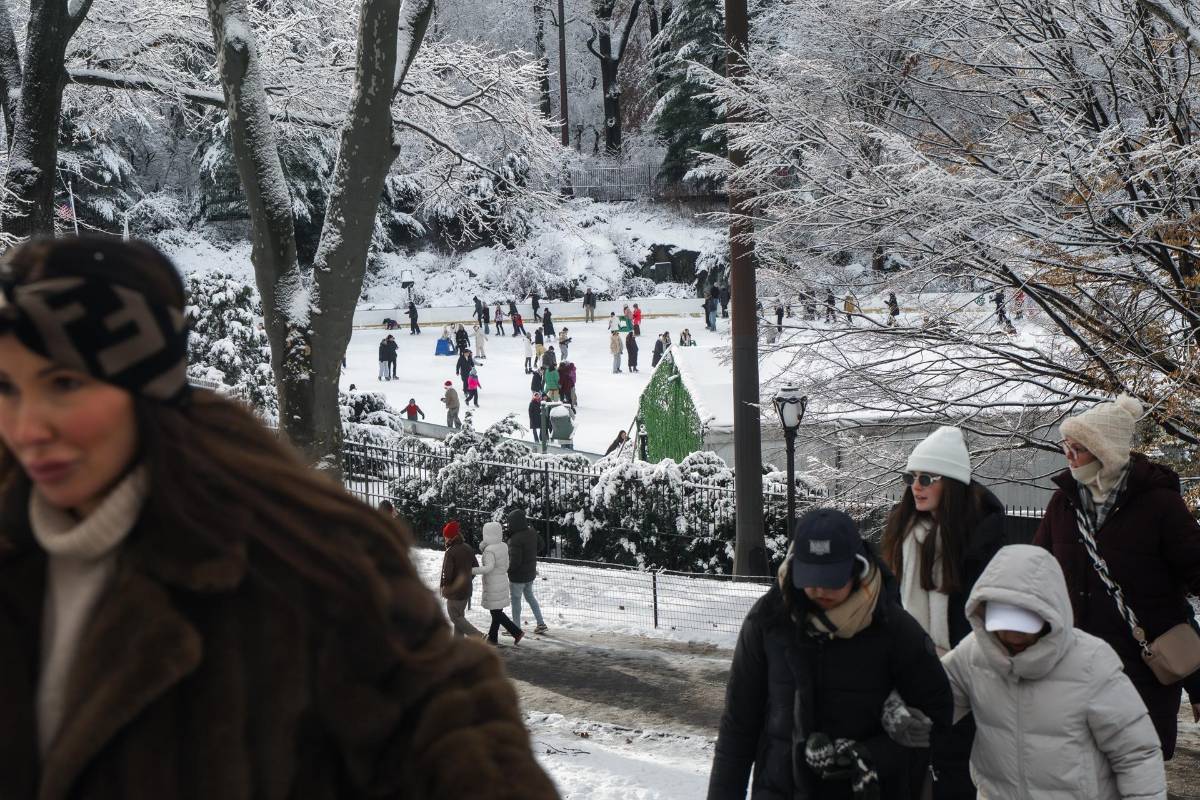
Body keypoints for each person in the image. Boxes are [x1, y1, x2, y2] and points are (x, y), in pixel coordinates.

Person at [0, 236, 558, 797]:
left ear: (146, 386)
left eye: (64, 384)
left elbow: (450, 739)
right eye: (5, 387)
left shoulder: (308, 563)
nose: (27, 427)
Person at [707, 508, 953, 800]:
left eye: (832, 578)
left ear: (856, 567)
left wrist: (869, 755)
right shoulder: (767, 621)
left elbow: (938, 717)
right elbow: (738, 726)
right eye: (811, 577)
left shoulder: (893, 628)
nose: (820, 588)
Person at [1034, 395, 1200, 759]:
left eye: (1078, 447)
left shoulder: (1160, 505)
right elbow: (1036, 571)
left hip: (1142, 667)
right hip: (1074, 666)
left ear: (1105, 450)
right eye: (1067, 445)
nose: (1069, 455)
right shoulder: (1063, 503)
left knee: (1136, 771)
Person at [941, 545, 1166, 799]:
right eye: (1005, 615)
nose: (1014, 632)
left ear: (1049, 613)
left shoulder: (1090, 662)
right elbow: (929, 700)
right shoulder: (973, 655)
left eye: (1026, 616)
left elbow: (1136, 754)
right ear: (985, 610)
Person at [880, 426, 1006, 798]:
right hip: (912, 669)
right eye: (910, 478)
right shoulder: (905, 533)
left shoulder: (979, 538)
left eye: (925, 478)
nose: (915, 486)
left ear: (950, 483)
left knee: (955, 773)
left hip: (965, 675)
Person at [472, 522, 524, 645]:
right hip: (502, 581)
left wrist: (472, 570)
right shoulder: (503, 546)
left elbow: (488, 568)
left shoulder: (489, 550)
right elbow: (506, 565)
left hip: (493, 584)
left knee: (496, 613)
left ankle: (516, 632)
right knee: (496, 612)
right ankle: (493, 638)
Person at [506, 509, 548, 634]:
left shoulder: (515, 540)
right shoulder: (532, 532)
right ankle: (541, 623)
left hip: (517, 577)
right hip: (530, 574)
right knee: (530, 597)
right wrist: (530, 554)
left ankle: (516, 628)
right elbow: (541, 545)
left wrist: (506, 570)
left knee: (516, 601)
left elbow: (515, 562)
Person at [440, 520, 484, 639]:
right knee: (459, 617)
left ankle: (478, 636)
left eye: (445, 536)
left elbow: (447, 574)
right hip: (466, 589)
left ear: (450, 537)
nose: (445, 539)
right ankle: (457, 643)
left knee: (455, 617)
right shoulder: (467, 547)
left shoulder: (451, 552)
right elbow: (475, 568)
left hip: (455, 592)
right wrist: (467, 579)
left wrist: (446, 588)